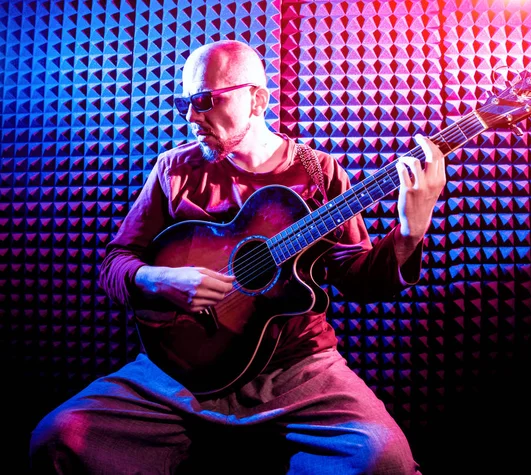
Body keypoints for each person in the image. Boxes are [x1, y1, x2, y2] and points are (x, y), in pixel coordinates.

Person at [30, 39, 446, 474]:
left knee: (383, 460)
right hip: (179, 370)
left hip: (297, 368)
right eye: (184, 103)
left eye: (205, 100)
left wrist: (409, 232)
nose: (192, 116)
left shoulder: (319, 172)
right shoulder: (174, 170)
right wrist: (157, 280)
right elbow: (116, 262)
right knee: (61, 437)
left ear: (257, 100)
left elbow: (359, 279)